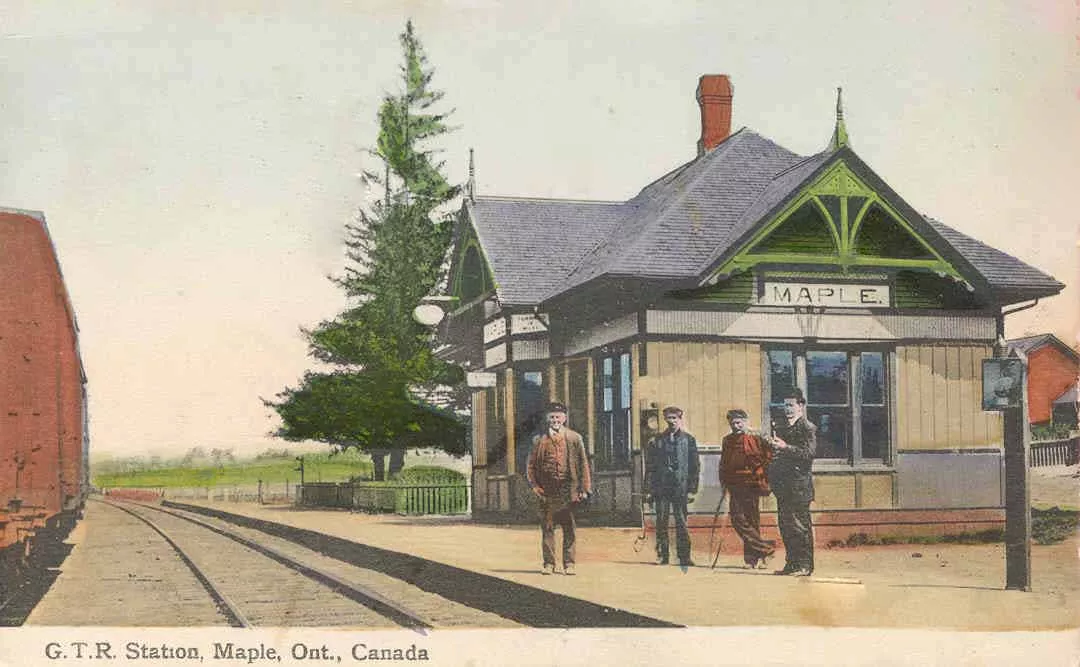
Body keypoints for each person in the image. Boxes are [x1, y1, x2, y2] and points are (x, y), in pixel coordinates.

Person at [526, 402, 592, 576]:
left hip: (568, 490)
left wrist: (584, 488)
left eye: (558, 417)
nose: (555, 420)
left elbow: (583, 464)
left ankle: (569, 563)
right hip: (547, 491)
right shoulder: (538, 440)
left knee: (569, 527)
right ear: (548, 419)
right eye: (552, 417)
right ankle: (549, 563)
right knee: (547, 527)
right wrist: (534, 486)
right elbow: (530, 467)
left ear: (564, 418)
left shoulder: (574, 438)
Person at [767, 388, 817, 577]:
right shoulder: (781, 428)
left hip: (799, 486)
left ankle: (805, 565)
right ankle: (792, 564)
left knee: (800, 527)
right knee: (786, 526)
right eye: (785, 405)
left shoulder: (807, 428)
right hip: (783, 486)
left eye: (791, 405)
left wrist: (785, 447)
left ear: (801, 406)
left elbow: (809, 454)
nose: (787, 409)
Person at [719, 409, 776, 569]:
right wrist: (723, 482)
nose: (736, 426)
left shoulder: (757, 437)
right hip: (735, 485)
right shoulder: (727, 440)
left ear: (745, 421)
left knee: (752, 521)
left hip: (752, 484)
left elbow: (770, 457)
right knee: (738, 520)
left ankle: (752, 560)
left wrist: (765, 477)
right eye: (732, 423)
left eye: (739, 422)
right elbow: (723, 463)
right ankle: (766, 549)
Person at [646, 406, 700, 567]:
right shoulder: (656, 441)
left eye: (674, 418)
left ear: (680, 419)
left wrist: (692, 490)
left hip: (680, 489)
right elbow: (650, 467)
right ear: (665, 420)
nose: (671, 422)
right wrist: (649, 490)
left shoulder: (688, 440)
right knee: (661, 522)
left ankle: (684, 557)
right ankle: (663, 556)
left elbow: (695, 466)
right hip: (661, 488)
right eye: (668, 418)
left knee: (681, 522)